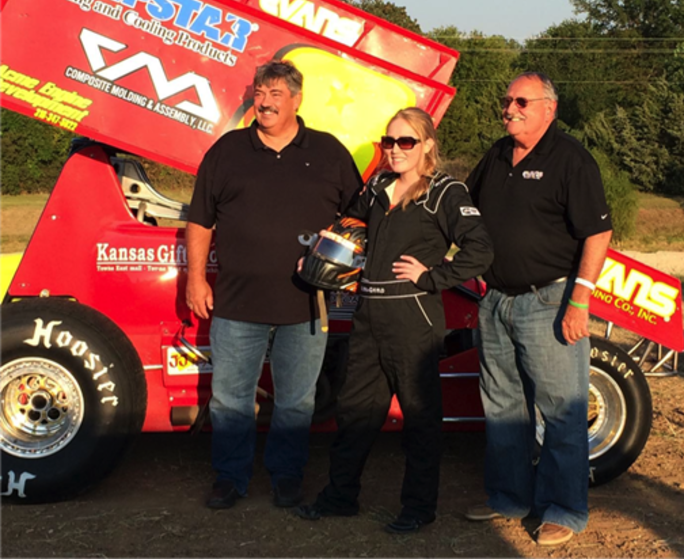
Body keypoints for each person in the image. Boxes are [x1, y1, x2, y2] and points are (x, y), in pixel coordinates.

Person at [296, 107, 494, 533]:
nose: (395, 150)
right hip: (369, 316)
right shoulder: (378, 184)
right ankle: (339, 497)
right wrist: (326, 260)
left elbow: (481, 250)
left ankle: (418, 508)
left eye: (405, 142)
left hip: (413, 317)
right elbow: (348, 230)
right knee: (355, 412)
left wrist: (434, 277)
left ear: (427, 146)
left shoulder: (445, 192)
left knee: (420, 418)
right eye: (389, 141)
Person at [186, 59, 363, 510]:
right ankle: (230, 477)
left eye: (275, 95)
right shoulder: (228, 151)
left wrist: (349, 269)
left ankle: (287, 477)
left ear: (297, 100)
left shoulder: (327, 152)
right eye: (259, 94)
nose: (264, 103)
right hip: (236, 303)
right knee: (229, 399)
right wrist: (194, 280)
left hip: (305, 306)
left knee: (297, 402)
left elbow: (358, 220)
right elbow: (201, 221)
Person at [464, 72, 613, 546]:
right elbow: (463, 208)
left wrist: (579, 300)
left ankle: (564, 510)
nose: (510, 108)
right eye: (507, 100)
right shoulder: (496, 155)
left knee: (561, 411)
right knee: (504, 407)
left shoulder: (571, 159)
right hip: (495, 300)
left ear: (549, 107)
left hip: (548, 300)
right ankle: (509, 497)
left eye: (521, 101)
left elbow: (598, 232)